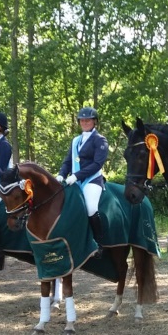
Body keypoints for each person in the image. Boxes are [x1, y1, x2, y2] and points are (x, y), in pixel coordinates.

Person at [56, 106, 109, 256]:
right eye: (82, 120)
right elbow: (68, 161)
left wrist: (76, 175)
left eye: (88, 120)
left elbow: (97, 164)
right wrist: (61, 174)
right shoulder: (75, 141)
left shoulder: (100, 140)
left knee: (91, 208)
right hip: (75, 180)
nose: (85, 122)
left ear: (94, 122)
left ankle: (99, 243)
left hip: (92, 180)